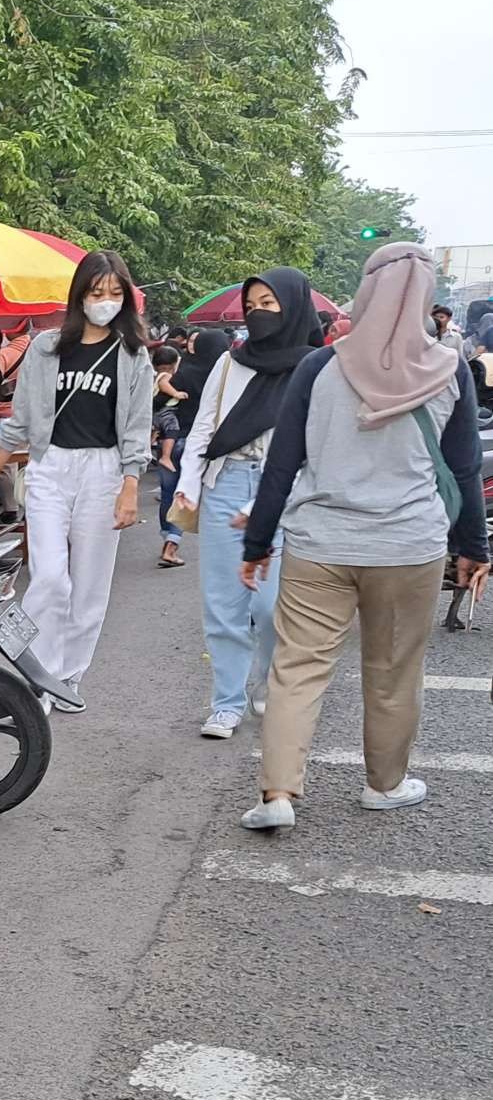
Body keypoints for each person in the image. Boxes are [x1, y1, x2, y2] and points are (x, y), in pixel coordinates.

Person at [239, 242, 487, 831]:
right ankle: (386, 784)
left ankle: (277, 795)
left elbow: (283, 464)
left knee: (297, 667)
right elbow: (464, 467)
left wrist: (257, 544)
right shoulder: (448, 369)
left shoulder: (319, 367)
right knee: (394, 669)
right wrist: (475, 547)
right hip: (409, 547)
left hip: (318, 543)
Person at [0, 251, 152, 712]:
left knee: (90, 585)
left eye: (115, 293)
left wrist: (131, 485)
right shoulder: (46, 347)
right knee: (51, 577)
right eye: (97, 292)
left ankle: (67, 675)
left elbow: (136, 425)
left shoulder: (132, 356)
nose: (106, 301)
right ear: (80, 294)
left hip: (104, 470)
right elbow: (23, 417)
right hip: (50, 467)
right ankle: (33, 672)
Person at [172, 271, 321, 740]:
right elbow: (203, 428)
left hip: (285, 492)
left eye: (270, 304)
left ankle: (269, 678)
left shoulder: (316, 367)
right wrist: (189, 485)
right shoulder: (230, 364)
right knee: (223, 605)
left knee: (273, 602)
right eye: (252, 304)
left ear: (294, 308)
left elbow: (315, 446)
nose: (259, 313)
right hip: (225, 484)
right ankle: (226, 703)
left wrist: (269, 499)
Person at [152, 343, 188, 567]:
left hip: (160, 428)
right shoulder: (168, 377)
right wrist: (177, 393)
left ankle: (168, 538)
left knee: (167, 493)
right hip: (178, 431)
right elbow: (166, 385)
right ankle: (171, 545)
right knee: (180, 493)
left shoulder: (152, 375)